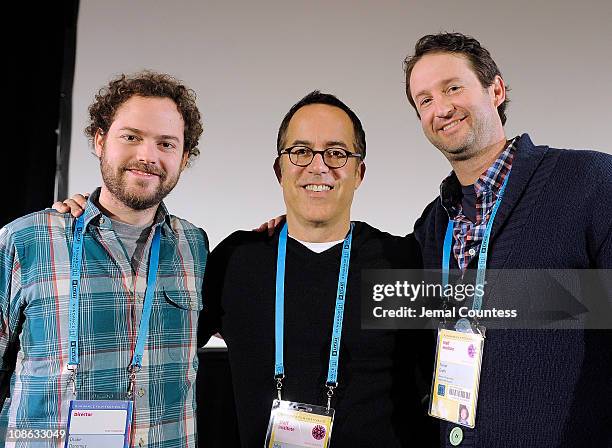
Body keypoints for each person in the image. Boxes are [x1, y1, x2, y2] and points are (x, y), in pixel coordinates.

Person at [404, 32, 612, 447]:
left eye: (452, 88)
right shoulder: (433, 225)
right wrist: (295, 225)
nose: (440, 108)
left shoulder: (591, 182)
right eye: (424, 100)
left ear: (495, 90)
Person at [198, 91, 436, 447]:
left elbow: (509, 318)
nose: (318, 165)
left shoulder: (398, 260)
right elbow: (160, 349)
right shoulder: (237, 260)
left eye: (337, 153)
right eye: (301, 151)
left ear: (359, 173)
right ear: (280, 170)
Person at [0, 71, 207, 448]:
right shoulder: (29, 239)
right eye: (131, 137)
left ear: (184, 157)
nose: (148, 156)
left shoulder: (194, 247)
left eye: (166, 144)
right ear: (99, 140)